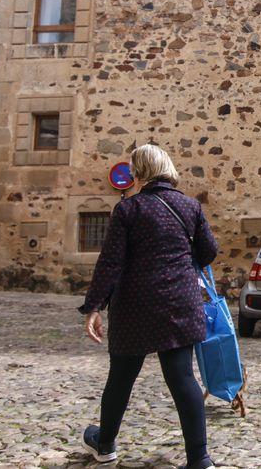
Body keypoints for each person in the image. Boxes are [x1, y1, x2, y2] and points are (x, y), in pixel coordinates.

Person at [78, 144, 219, 468]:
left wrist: (93, 307)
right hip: (180, 302)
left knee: (121, 377)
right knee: (183, 377)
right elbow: (209, 252)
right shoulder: (190, 206)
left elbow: (111, 262)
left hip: (136, 305)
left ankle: (106, 444)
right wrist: (183, 261)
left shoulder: (129, 210)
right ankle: (199, 458)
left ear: (138, 173)